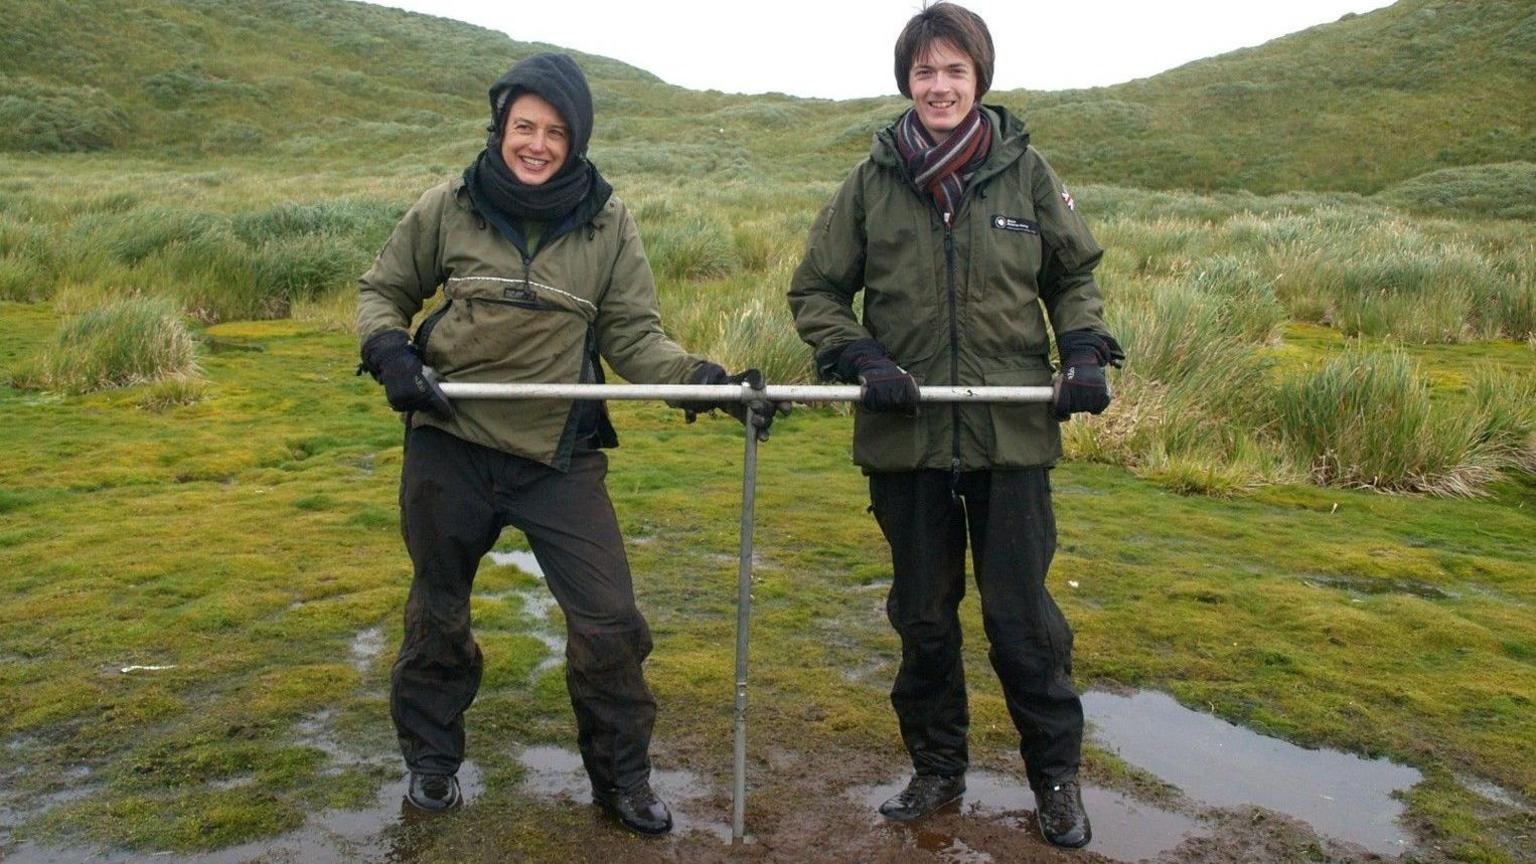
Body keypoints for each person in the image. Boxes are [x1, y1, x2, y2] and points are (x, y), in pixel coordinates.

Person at [356, 52, 778, 835]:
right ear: (501, 127)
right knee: (438, 615)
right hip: (449, 443)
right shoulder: (448, 206)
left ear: (575, 139)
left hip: (558, 457)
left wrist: (707, 383)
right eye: (524, 127)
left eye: (554, 131)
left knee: (610, 622)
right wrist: (391, 353)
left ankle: (621, 780)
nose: (537, 144)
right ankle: (433, 765)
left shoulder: (608, 221)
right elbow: (383, 290)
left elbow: (635, 338)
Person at [787, 2, 1122, 850]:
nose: (939, 86)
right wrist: (862, 359)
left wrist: (1081, 347)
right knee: (924, 617)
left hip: (1011, 437)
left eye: (955, 71)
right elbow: (815, 292)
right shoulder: (869, 183)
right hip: (906, 440)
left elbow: (1074, 272)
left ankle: (1055, 779)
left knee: (1021, 619)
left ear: (980, 80)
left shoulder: (1027, 173)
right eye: (926, 71)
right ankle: (937, 769)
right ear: (907, 79)